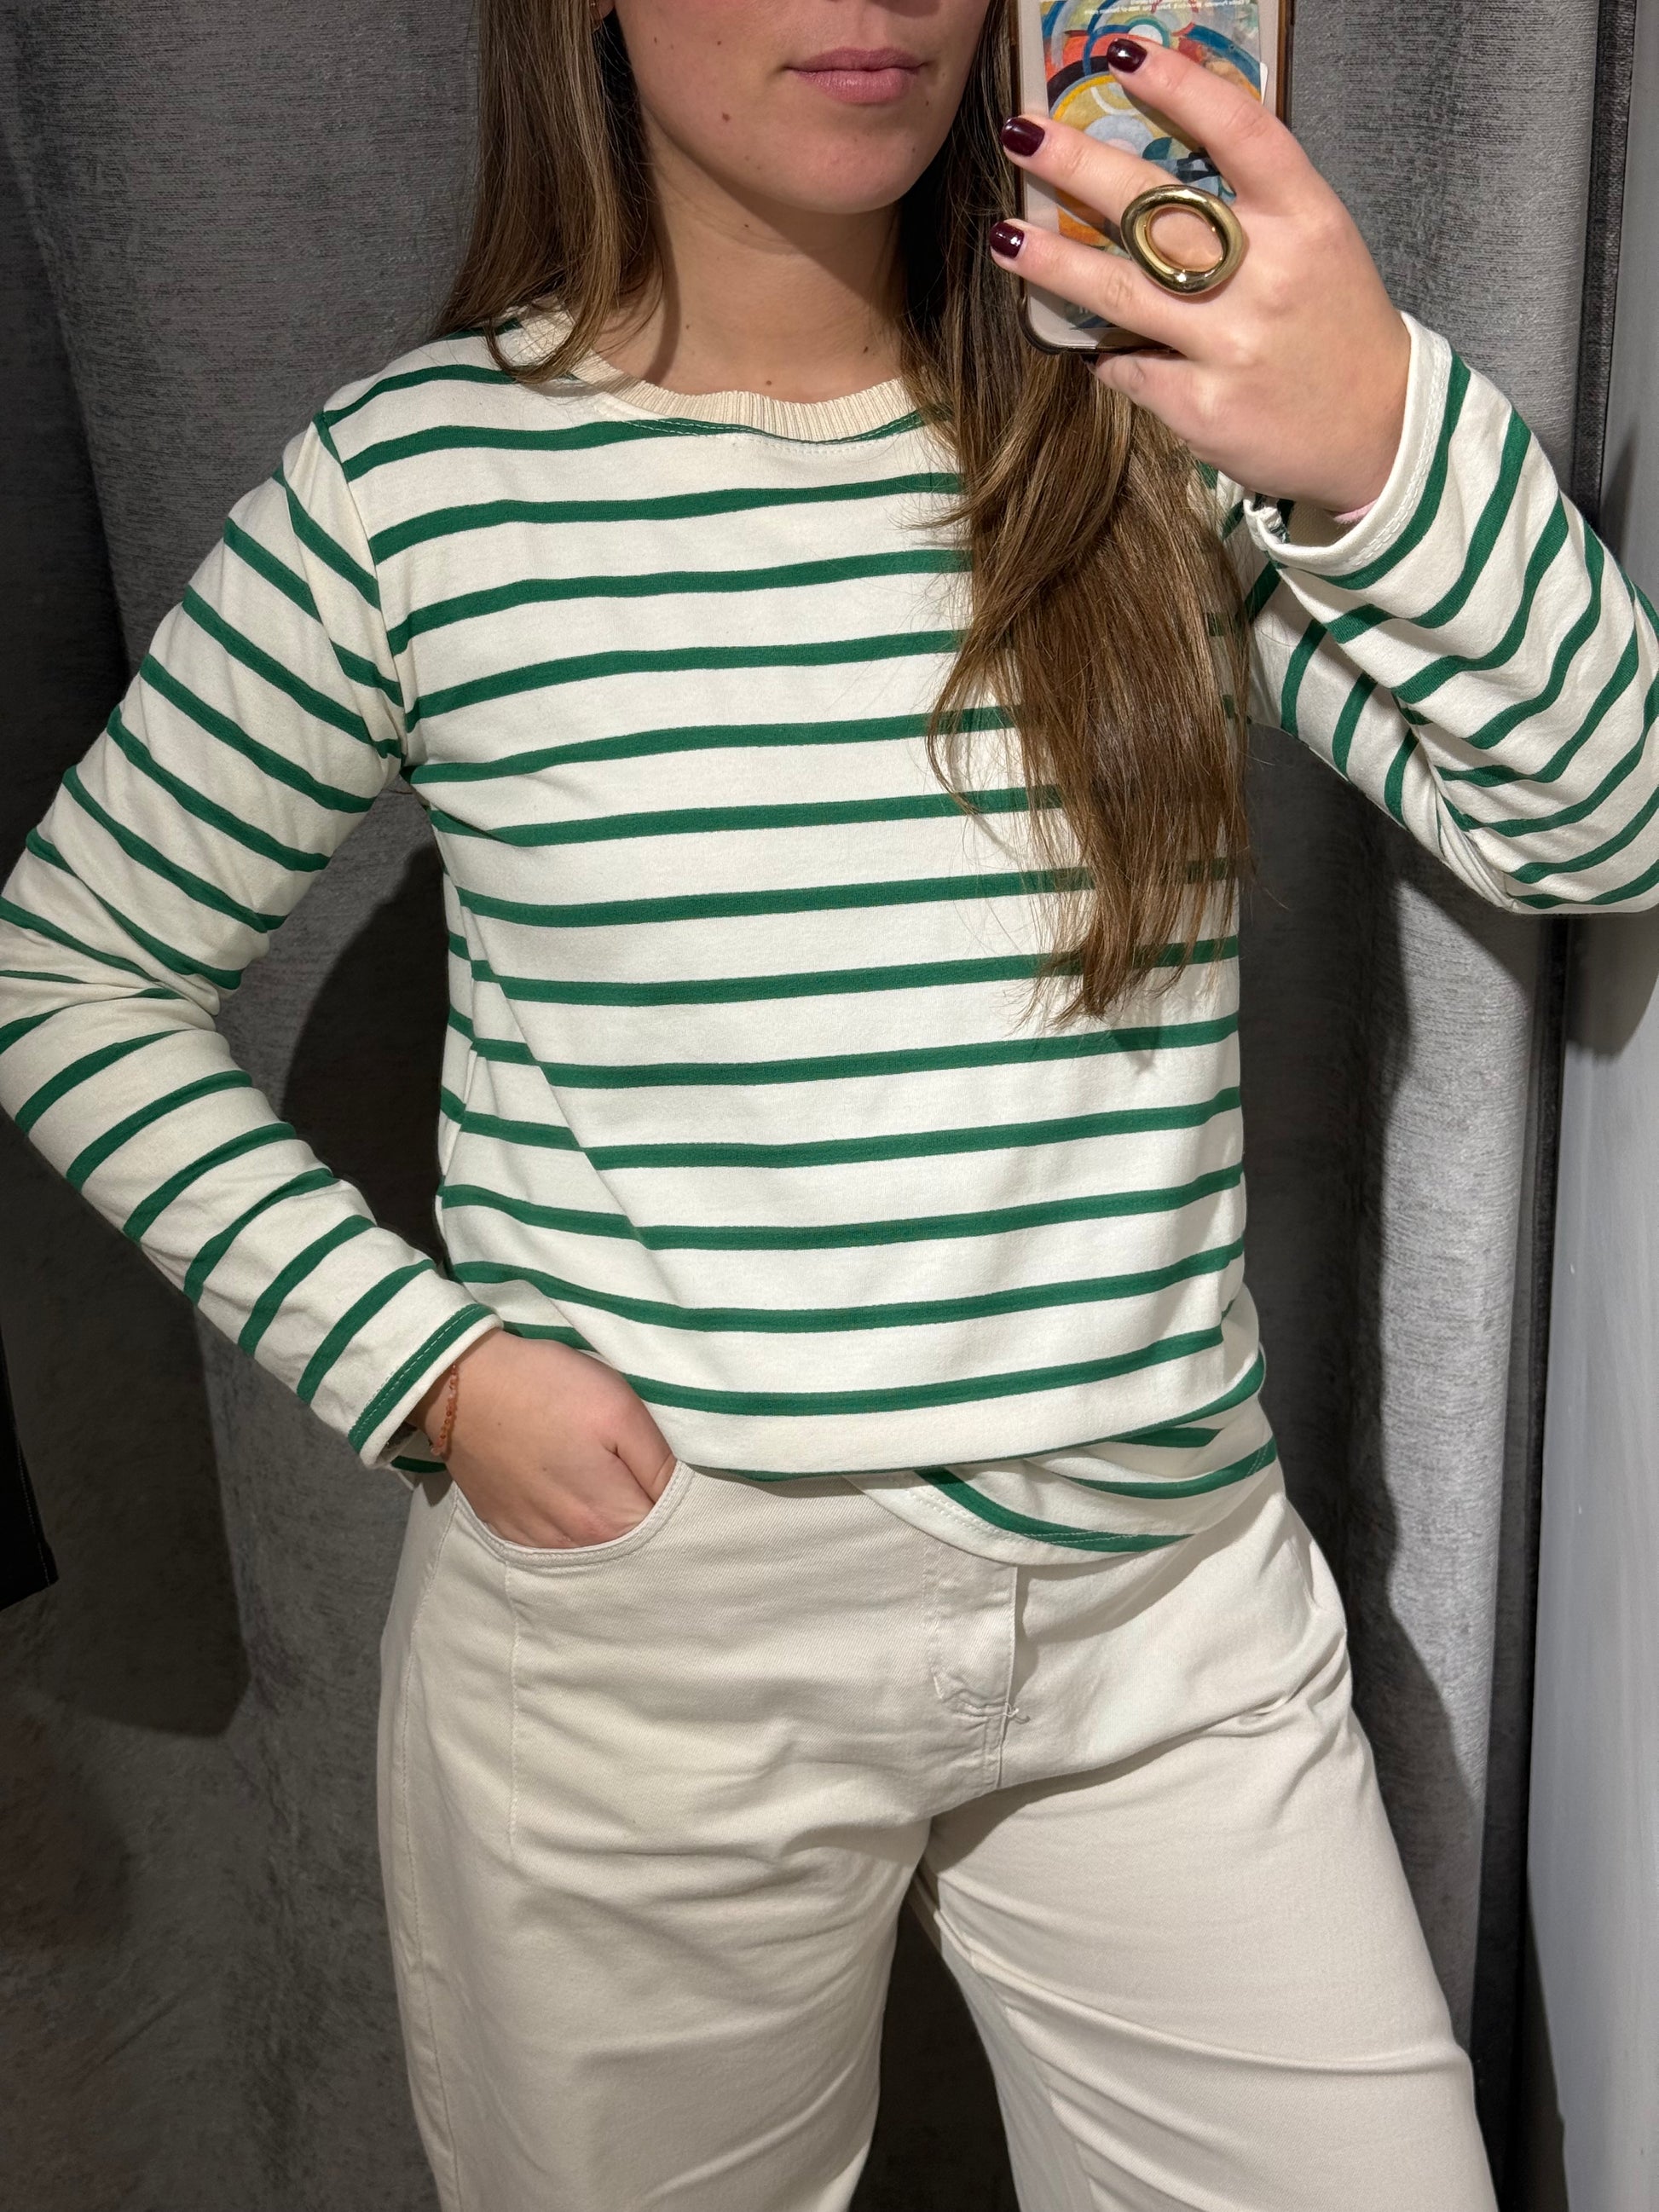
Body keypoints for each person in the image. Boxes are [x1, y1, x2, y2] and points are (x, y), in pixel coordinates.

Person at [0, 3, 1652, 2206]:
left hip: (1165, 1612)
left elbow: (1594, 828)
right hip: (660, 1633)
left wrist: (1382, 438)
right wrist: (433, 1374)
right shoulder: (422, 482)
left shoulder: (1138, 423)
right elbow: (71, 969)